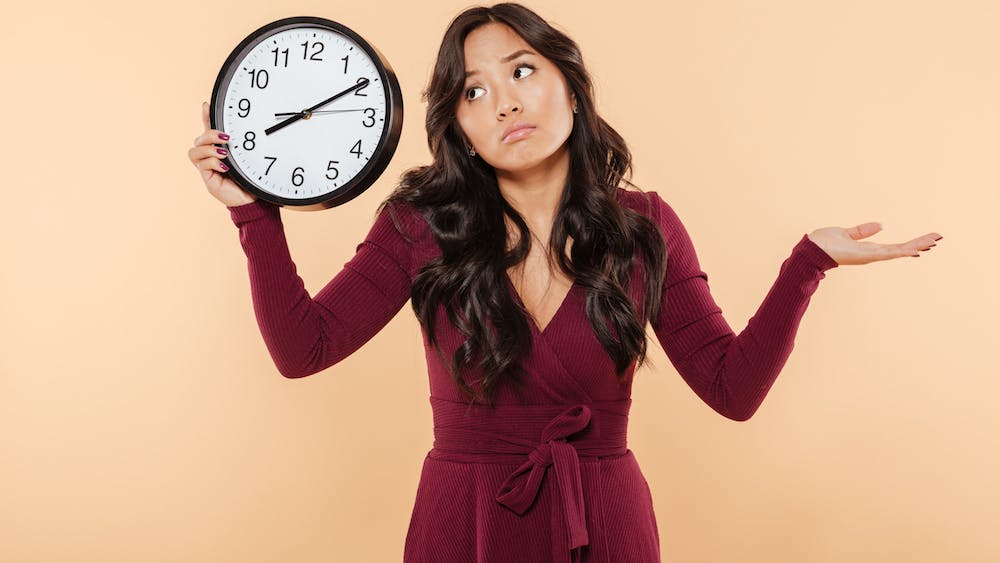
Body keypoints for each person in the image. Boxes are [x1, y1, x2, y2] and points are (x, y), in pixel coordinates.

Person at [187, 3, 942, 561]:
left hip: (605, 524)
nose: (506, 101)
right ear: (462, 131)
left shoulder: (645, 226)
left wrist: (806, 263)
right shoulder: (422, 224)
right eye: (474, 92)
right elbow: (302, 347)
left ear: (571, 90)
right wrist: (255, 217)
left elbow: (731, 388)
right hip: (463, 524)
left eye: (521, 71)